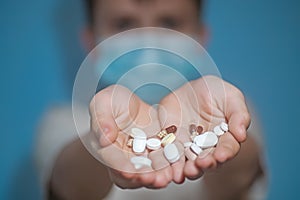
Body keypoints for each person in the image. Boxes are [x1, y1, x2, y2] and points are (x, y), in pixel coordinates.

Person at [35, 0, 268, 199]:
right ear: (91, 43)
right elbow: (71, 189)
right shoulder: (63, 122)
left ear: (201, 39)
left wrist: (225, 131)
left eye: (169, 22)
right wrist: (102, 138)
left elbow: (237, 180)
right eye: (124, 24)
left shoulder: (226, 109)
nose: (148, 39)